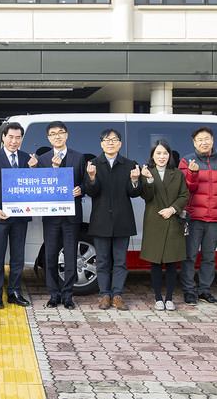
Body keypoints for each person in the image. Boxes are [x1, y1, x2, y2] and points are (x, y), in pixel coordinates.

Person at [84, 128, 142, 311]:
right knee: (101, 261)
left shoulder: (130, 164)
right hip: (101, 220)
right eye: (106, 140)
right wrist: (91, 178)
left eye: (114, 140)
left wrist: (134, 180)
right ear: (101, 144)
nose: (110, 143)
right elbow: (91, 192)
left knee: (120, 261)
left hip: (122, 220)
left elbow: (134, 193)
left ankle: (117, 295)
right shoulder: (93, 164)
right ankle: (104, 295)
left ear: (120, 143)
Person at [178, 126, 217, 306]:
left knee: (209, 257)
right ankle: (188, 291)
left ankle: (204, 290)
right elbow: (184, 189)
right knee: (189, 255)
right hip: (194, 217)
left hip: (215, 218)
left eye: (207, 139)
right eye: (200, 140)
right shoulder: (186, 161)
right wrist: (192, 174)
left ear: (212, 140)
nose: (204, 142)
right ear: (194, 142)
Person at [0, 121, 38, 309]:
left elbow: (32, 186)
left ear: (22, 139)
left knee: (18, 257)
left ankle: (14, 292)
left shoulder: (27, 159)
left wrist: (33, 170)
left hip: (20, 217)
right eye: (11, 137)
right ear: (4, 137)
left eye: (18, 137)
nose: (14, 141)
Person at [37, 121, 85, 310]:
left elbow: (85, 182)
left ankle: (67, 295)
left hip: (71, 215)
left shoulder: (78, 157)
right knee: (50, 255)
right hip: (51, 216)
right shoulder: (42, 160)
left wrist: (81, 189)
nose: (57, 136)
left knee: (71, 255)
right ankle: (54, 294)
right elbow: (40, 186)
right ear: (48, 138)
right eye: (53, 133)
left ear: (66, 135)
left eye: (60, 132)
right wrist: (53, 170)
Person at [139, 140, 189, 311]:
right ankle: (158, 298)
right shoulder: (147, 172)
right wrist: (149, 179)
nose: (162, 157)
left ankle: (169, 298)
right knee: (156, 263)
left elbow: (184, 195)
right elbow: (147, 196)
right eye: (158, 153)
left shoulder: (177, 173)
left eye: (165, 153)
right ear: (152, 155)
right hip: (154, 222)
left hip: (173, 220)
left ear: (169, 155)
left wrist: (172, 209)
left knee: (171, 262)